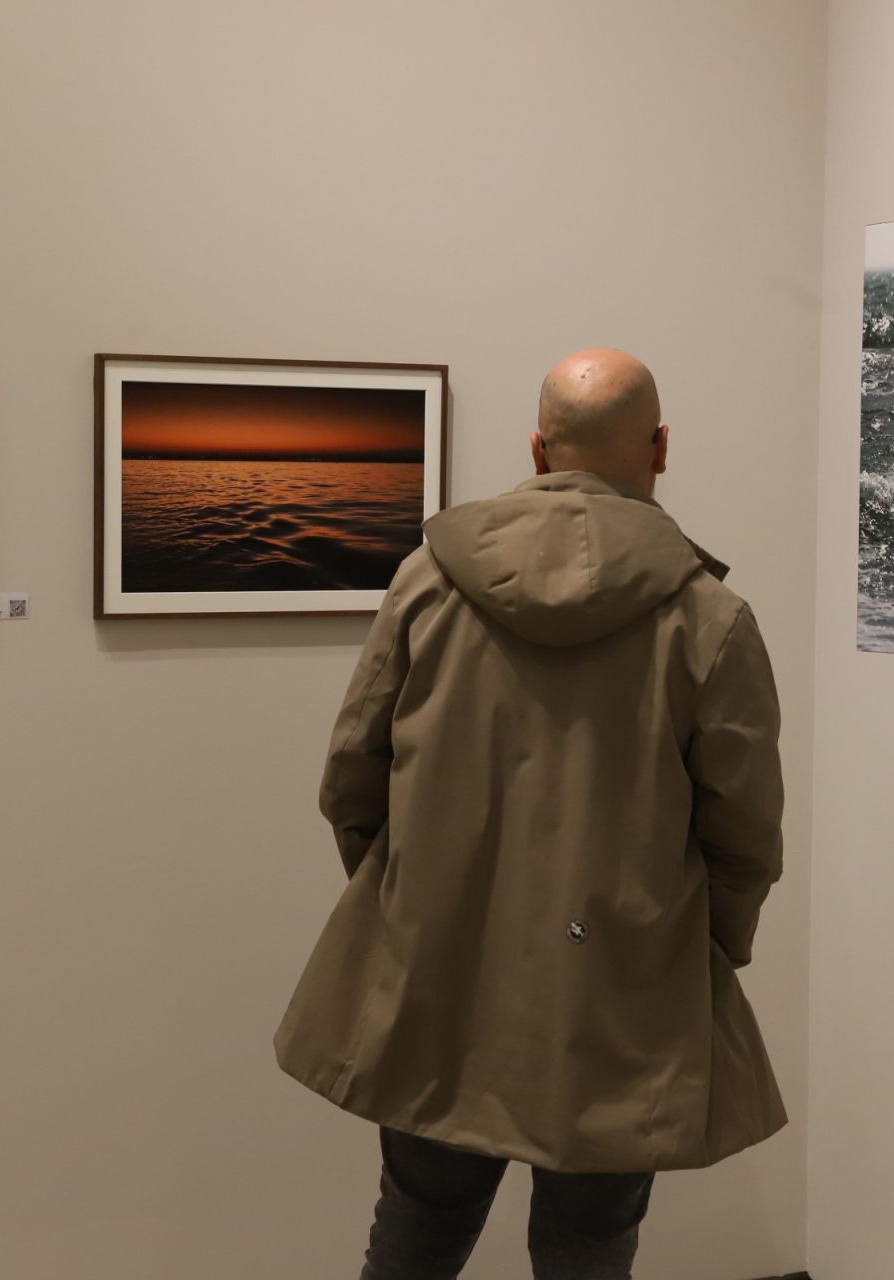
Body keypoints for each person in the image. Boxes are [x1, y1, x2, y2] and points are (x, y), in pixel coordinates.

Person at [275, 348, 786, 1279]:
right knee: (589, 1247)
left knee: (418, 1228)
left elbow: (351, 779)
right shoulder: (710, 619)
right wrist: (695, 954)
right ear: (660, 447)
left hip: (441, 976)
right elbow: (745, 836)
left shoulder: (428, 584)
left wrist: (409, 908)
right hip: (624, 990)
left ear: (539, 449)